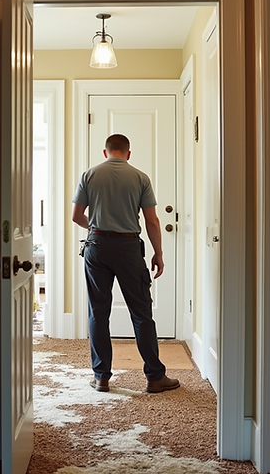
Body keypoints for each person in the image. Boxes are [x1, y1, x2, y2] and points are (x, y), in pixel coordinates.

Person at [71, 133, 180, 393]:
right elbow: (152, 221)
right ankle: (154, 376)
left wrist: (97, 227)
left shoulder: (89, 175)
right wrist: (158, 252)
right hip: (128, 247)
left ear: (105, 152)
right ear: (128, 153)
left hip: (95, 247)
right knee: (141, 313)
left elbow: (76, 216)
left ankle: (101, 377)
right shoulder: (140, 177)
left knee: (98, 312)